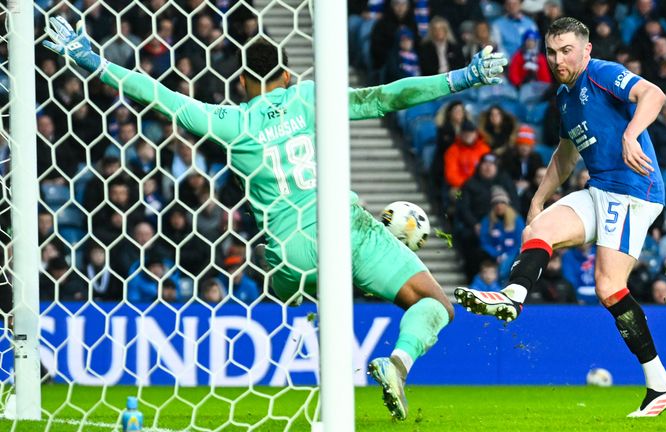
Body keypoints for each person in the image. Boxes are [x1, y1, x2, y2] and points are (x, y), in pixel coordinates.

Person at [42, 16, 507, 421]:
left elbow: (158, 94)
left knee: (281, 267)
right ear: (285, 75)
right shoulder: (308, 97)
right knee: (436, 306)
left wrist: (90, 59)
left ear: (243, 83)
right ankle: (398, 362)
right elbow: (386, 96)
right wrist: (462, 78)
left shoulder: (234, 122)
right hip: (346, 230)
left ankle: (327, 290)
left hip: (290, 258)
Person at [455, 17, 666, 417]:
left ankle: (659, 385)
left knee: (609, 286)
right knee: (539, 229)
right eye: (551, 52)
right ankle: (513, 296)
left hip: (634, 190)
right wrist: (538, 199)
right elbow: (565, 152)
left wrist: (631, 134)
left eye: (566, 51)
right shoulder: (563, 95)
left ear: (586, 49)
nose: (558, 59)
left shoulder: (601, 73)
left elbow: (654, 94)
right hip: (600, 188)